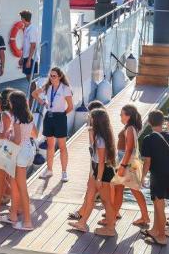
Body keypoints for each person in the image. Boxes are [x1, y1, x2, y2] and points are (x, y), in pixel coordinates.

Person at [68, 108, 117, 236]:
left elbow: (101, 161)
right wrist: (91, 132)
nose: (89, 119)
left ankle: (111, 228)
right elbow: (93, 152)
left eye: (91, 118)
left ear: (96, 121)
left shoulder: (101, 139)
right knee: (89, 198)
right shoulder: (99, 135)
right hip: (97, 170)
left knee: (106, 201)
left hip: (103, 172)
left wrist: (99, 179)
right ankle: (82, 223)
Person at [140, 109, 169, 246]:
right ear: (163, 122)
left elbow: (147, 162)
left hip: (158, 176)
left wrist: (142, 177)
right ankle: (155, 231)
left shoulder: (148, 139)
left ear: (149, 122)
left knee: (158, 205)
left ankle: (162, 237)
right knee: (160, 205)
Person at [0, 90, 36, 231]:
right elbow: (30, 135)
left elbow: (17, 140)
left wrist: (8, 137)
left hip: (18, 153)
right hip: (27, 151)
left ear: (13, 103)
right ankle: (13, 215)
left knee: (22, 188)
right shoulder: (29, 117)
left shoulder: (15, 119)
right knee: (14, 186)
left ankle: (27, 222)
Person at [113, 104, 151, 228]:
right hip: (126, 161)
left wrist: (122, 166)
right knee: (123, 189)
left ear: (128, 116)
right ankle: (114, 215)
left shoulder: (129, 129)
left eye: (122, 114)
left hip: (127, 162)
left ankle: (113, 217)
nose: (120, 116)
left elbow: (129, 149)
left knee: (129, 189)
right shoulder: (130, 127)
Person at [32, 67, 73, 181]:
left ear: (59, 77)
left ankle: (64, 172)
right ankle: (49, 170)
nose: (51, 78)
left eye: (54, 76)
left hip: (60, 117)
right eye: (50, 75)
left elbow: (70, 107)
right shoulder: (47, 87)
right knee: (50, 146)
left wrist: (62, 115)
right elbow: (34, 94)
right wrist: (42, 102)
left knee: (62, 146)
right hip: (49, 117)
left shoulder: (65, 88)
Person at [18, 10, 39, 81]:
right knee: (28, 77)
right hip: (26, 56)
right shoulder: (26, 28)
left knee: (30, 78)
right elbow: (25, 45)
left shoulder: (32, 29)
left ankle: (34, 92)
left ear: (23, 18)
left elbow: (33, 45)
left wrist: (29, 60)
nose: (21, 19)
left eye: (21, 18)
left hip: (31, 57)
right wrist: (22, 57)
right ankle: (33, 92)